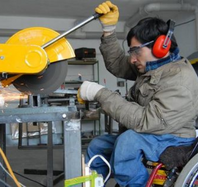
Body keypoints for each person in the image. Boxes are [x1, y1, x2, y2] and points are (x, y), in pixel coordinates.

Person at [78, 1, 198, 186]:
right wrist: (109, 30)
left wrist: (100, 93)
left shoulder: (180, 80)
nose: (132, 59)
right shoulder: (151, 67)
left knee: (128, 142)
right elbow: (118, 63)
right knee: (98, 145)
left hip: (173, 136)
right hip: (150, 133)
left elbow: (146, 121)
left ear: (161, 46)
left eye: (136, 51)